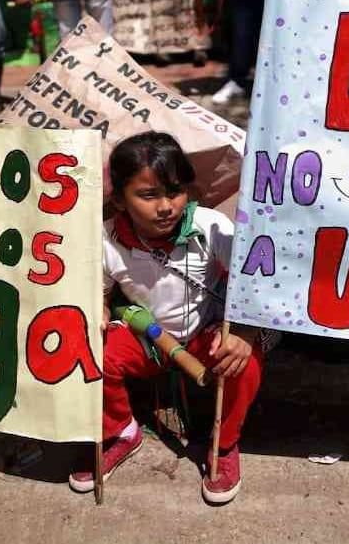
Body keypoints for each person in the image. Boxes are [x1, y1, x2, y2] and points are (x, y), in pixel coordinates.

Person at [69, 131, 266, 505]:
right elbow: (102, 293)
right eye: (148, 195)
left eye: (174, 192)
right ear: (119, 201)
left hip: (204, 335)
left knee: (244, 359)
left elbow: (254, 281)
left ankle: (223, 444)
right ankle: (120, 432)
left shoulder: (210, 227)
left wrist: (245, 331)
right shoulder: (104, 239)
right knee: (89, 348)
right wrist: (98, 311)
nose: (166, 207)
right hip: (147, 340)